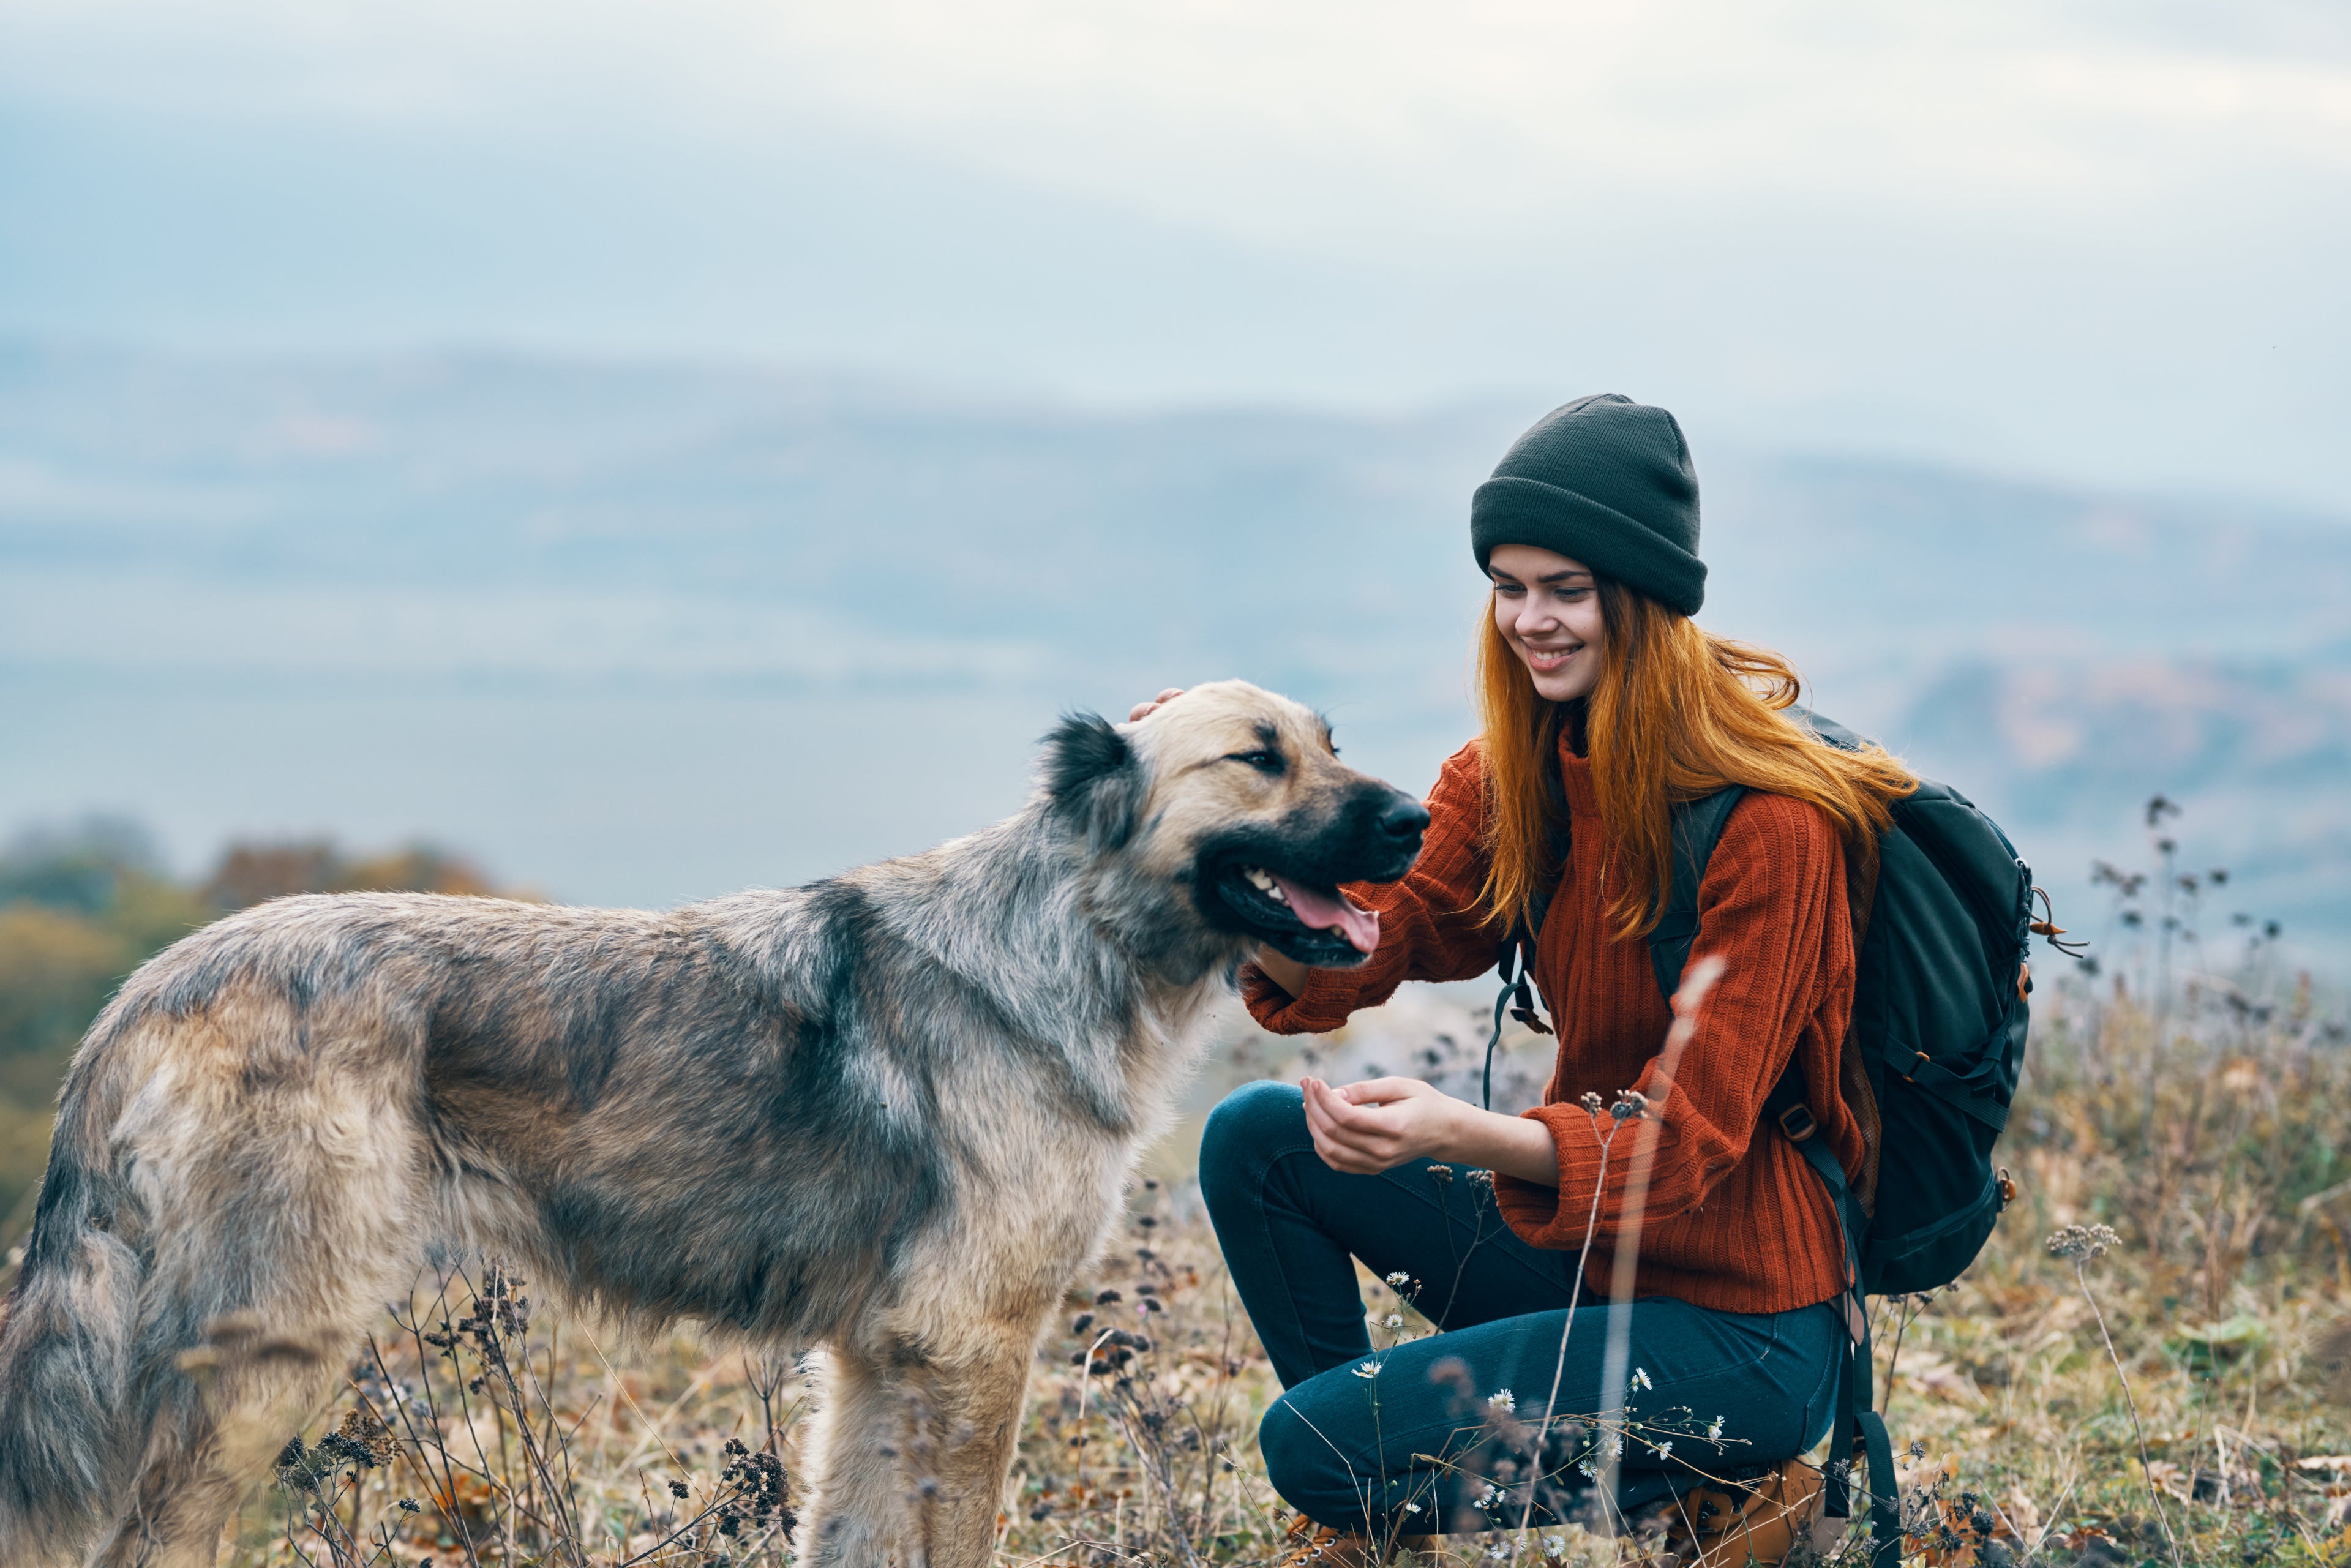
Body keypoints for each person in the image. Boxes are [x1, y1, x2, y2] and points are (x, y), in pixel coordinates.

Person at [1132, 395, 1918, 1567]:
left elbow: (1685, 1142)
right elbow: (1369, 947)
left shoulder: (1771, 827)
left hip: (1745, 1327)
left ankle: (1723, 1489)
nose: (1530, 622)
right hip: (1596, 1263)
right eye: (1508, 585)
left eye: (1567, 588)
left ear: (1642, 595)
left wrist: (1467, 1132)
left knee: (1307, 1444)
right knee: (1259, 1139)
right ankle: (1380, 1507)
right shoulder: (1518, 773)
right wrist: (1228, 832)